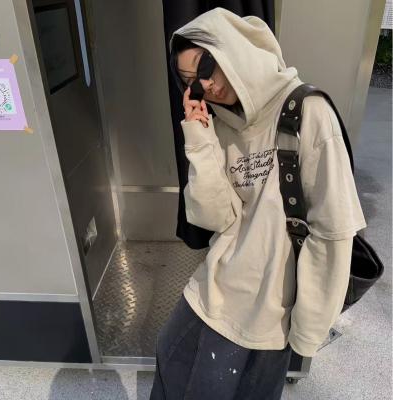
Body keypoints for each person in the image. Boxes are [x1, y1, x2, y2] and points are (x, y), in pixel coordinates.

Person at [150, 7, 367, 400]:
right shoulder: (222, 123)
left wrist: (308, 330)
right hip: (214, 286)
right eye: (191, 82)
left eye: (206, 67)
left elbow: (333, 231)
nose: (205, 86)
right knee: (169, 356)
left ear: (232, 49)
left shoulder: (308, 111)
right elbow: (217, 217)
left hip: (267, 308)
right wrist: (199, 138)